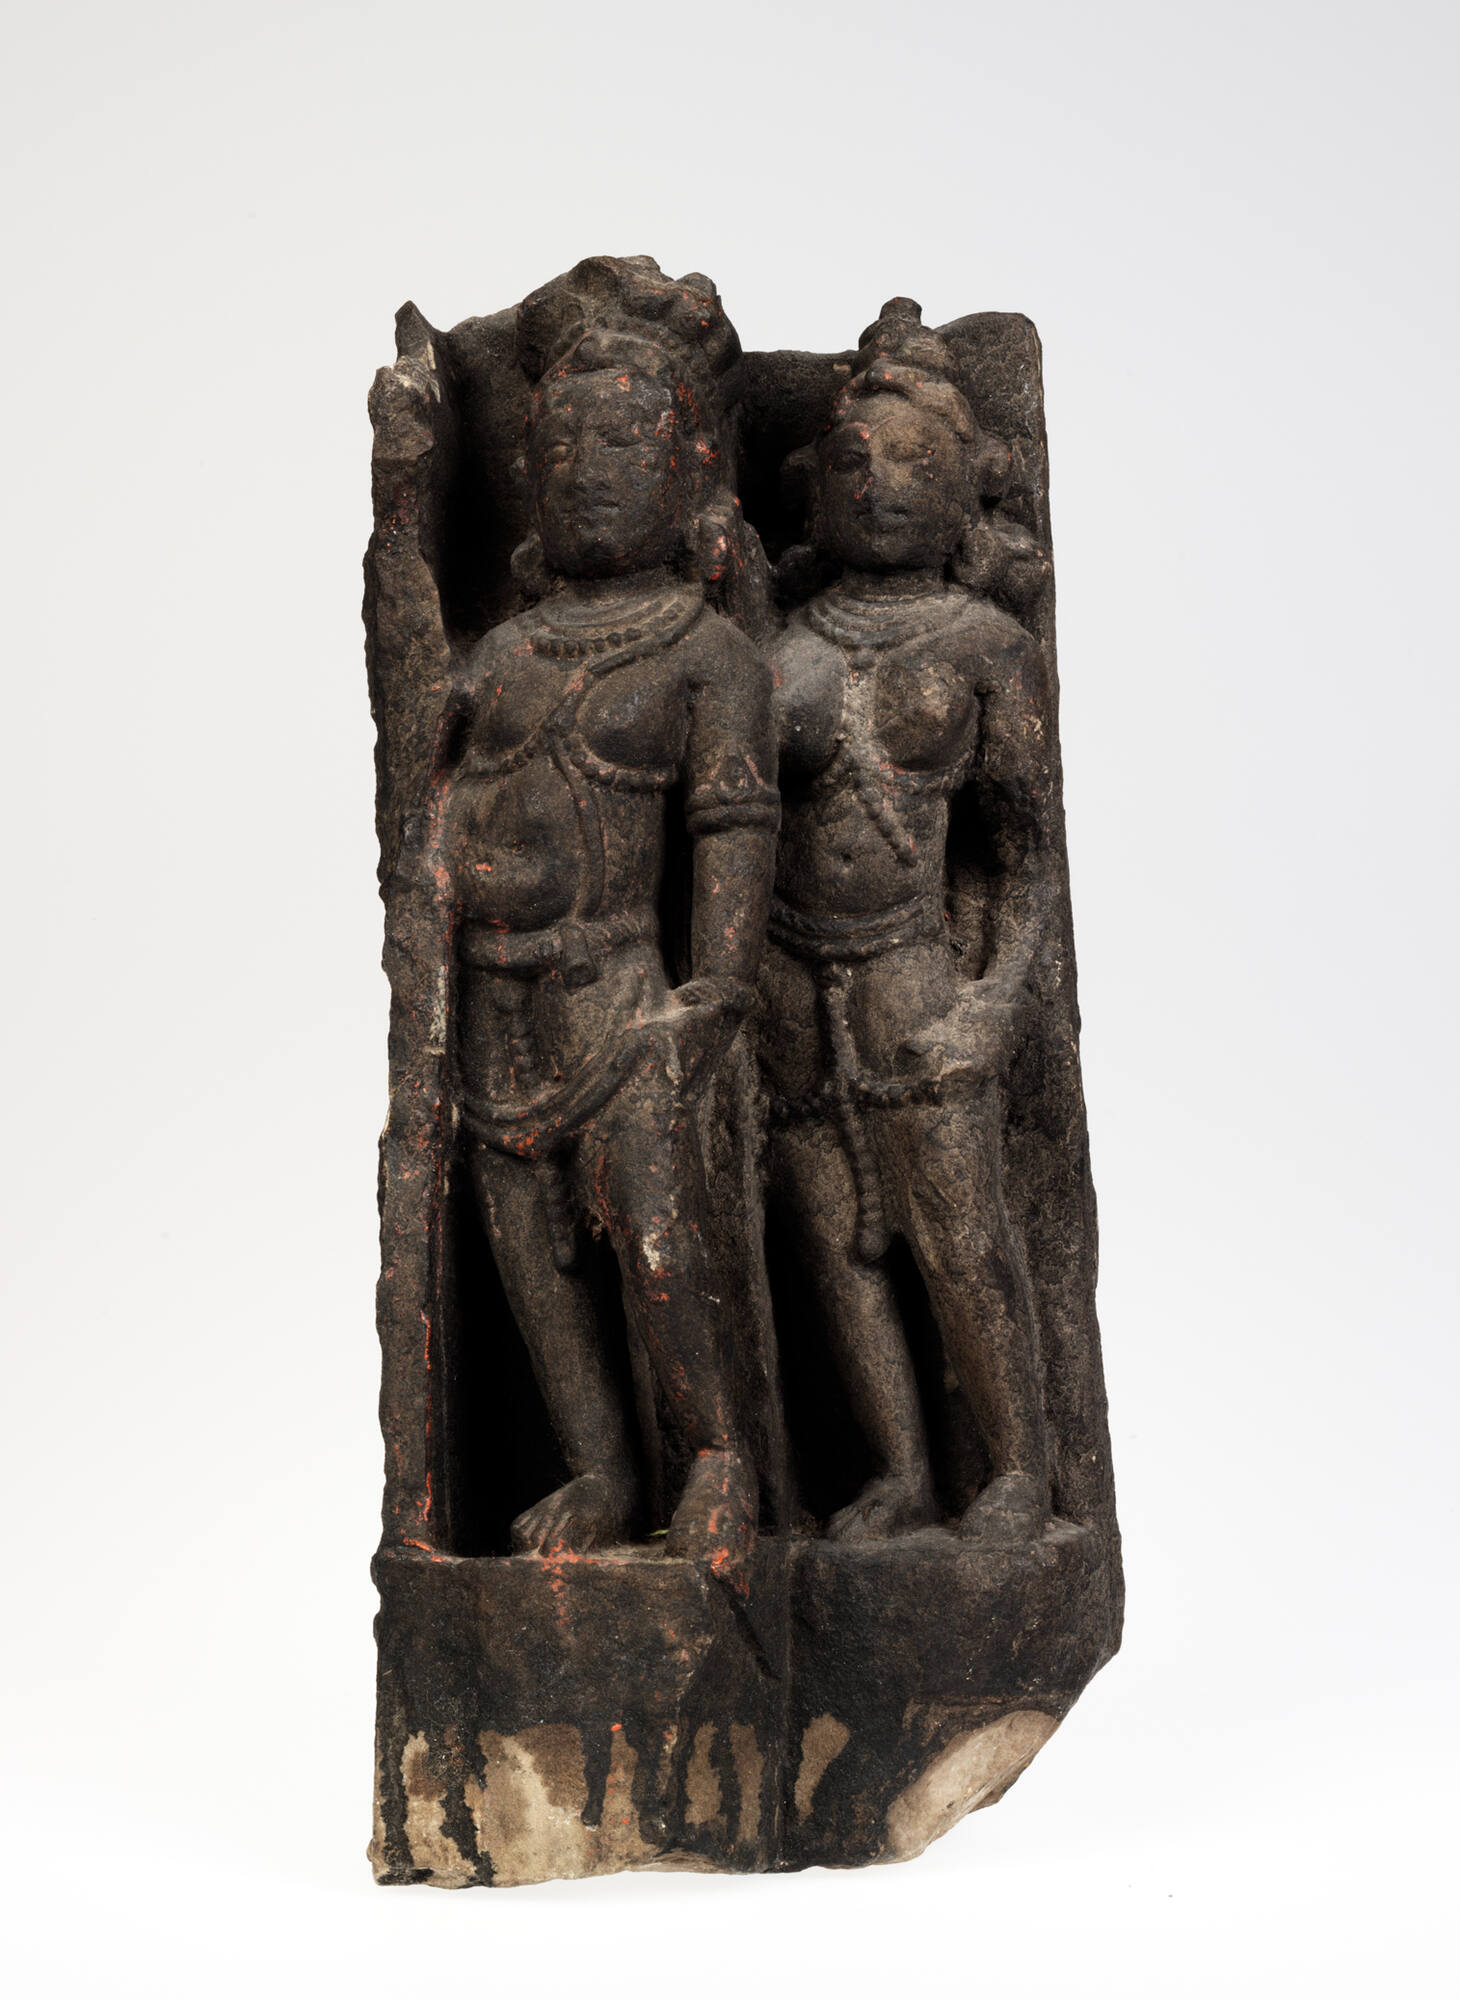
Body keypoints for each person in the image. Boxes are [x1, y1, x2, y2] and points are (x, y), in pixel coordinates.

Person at [442, 259, 778, 1569]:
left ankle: (716, 1461)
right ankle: (596, 1464)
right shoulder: (502, 652)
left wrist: (719, 989)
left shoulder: (705, 652)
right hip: (495, 1001)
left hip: (620, 1000)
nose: (589, 470)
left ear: (687, 471)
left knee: (654, 1239)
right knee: (524, 1255)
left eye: (626, 444)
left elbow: (733, 826)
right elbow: (439, 802)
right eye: (563, 447)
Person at [758, 299, 1055, 1547]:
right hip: (786, 973)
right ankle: (898, 1469)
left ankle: (1019, 1465)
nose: (878, 485)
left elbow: (1025, 854)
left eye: (915, 464)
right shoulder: (775, 643)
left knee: (958, 1233)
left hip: (912, 967)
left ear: (965, 490)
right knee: (835, 1243)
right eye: (852, 464)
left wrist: (993, 1003)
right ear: (815, 494)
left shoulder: (986, 645)